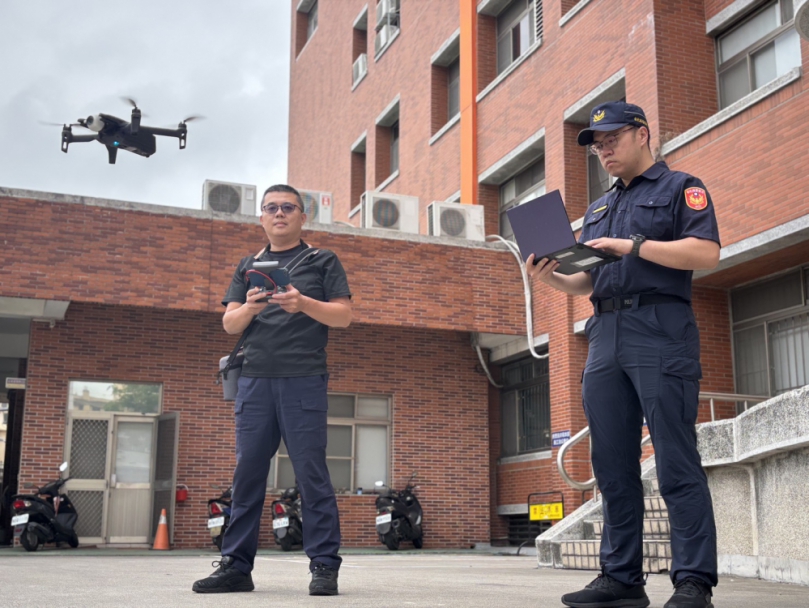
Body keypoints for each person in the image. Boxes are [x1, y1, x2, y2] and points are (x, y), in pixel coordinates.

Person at [527, 102, 720, 608]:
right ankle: (621, 580)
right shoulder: (597, 209)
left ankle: (693, 581)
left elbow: (706, 252)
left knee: (676, 459)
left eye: (611, 138)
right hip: (604, 332)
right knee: (611, 464)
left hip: (660, 327)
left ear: (642, 134)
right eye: (595, 144)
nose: (602, 149)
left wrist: (632, 245)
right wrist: (550, 276)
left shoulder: (681, 187)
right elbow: (586, 279)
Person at [193, 184, 352, 597]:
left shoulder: (321, 259)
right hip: (255, 381)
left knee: (311, 474)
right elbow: (230, 324)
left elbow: (343, 316)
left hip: (303, 378)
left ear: (303, 216)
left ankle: (323, 566)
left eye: (287, 207)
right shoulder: (249, 264)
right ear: (260, 218)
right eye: (271, 208)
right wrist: (250, 307)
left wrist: (303, 304)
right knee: (247, 474)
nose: (279, 214)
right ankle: (236, 567)